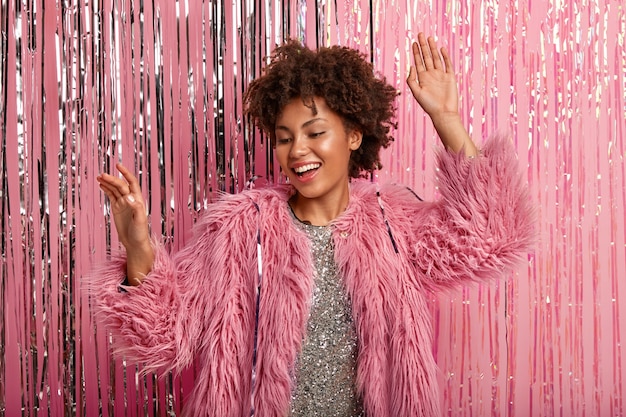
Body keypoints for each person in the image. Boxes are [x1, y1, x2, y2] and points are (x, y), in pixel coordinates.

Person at [90, 32, 534, 417]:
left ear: (354, 136)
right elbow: (164, 337)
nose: (297, 150)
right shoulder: (241, 231)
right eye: (284, 138)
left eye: (315, 131)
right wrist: (139, 246)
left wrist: (447, 120)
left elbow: (491, 236)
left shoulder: (393, 229)